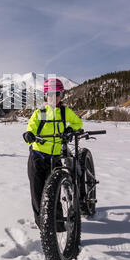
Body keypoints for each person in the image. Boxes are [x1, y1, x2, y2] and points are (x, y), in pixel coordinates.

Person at [23, 78, 83, 229]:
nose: (53, 97)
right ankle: (42, 225)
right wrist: (29, 134)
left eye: (56, 94)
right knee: (37, 192)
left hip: (54, 157)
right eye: (49, 94)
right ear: (45, 96)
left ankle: (57, 224)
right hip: (38, 156)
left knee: (53, 191)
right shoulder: (41, 113)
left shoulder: (65, 112)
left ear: (61, 95)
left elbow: (78, 123)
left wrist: (70, 129)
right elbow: (32, 126)